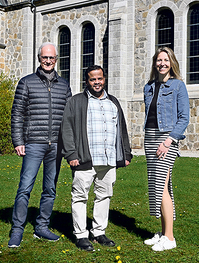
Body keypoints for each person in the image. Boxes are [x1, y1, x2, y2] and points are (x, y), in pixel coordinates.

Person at [61, 65, 132, 251]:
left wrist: (126, 153)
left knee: (104, 196)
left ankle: (99, 232)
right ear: (87, 81)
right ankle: (81, 235)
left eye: (99, 78)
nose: (97, 82)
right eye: (93, 79)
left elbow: (121, 129)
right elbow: (66, 130)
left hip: (108, 161)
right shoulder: (76, 102)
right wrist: (71, 154)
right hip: (85, 159)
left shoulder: (113, 102)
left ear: (104, 79)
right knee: (79, 197)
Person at [8, 42, 72, 248]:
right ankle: (17, 230)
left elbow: (69, 117)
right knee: (25, 188)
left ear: (56, 60)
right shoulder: (26, 82)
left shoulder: (64, 85)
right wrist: (18, 141)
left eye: (51, 58)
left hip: (56, 146)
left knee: (50, 189)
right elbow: (17, 113)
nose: (48, 61)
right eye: (45, 57)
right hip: (33, 143)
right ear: (39, 59)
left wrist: (69, 145)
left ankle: (42, 227)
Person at [142, 47, 189, 251]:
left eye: (166, 60)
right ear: (155, 63)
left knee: (160, 186)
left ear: (172, 63)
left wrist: (169, 140)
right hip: (150, 136)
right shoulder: (149, 87)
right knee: (159, 185)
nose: (162, 63)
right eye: (159, 60)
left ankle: (169, 238)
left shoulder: (178, 86)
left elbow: (184, 118)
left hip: (166, 138)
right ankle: (163, 233)